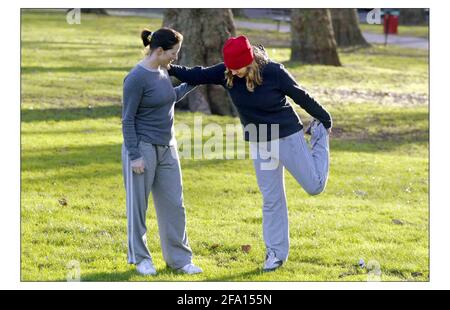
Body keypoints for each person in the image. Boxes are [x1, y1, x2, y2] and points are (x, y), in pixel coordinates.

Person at [167, 35, 332, 272]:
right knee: (272, 199)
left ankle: (318, 135)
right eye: (230, 68)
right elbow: (197, 74)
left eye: (237, 67)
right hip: (259, 142)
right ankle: (275, 254)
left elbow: (300, 96)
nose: (233, 72)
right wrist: (169, 66)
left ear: (250, 59)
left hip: (286, 136)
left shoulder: (274, 72)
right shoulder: (227, 72)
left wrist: (324, 119)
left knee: (314, 186)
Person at [122, 27, 202, 276]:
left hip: (168, 146)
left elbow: (167, 98)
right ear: (158, 50)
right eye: (173, 53)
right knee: (138, 207)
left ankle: (179, 260)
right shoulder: (136, 78)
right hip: (142, 147)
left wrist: (191, 84)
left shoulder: (162, 71)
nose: (175, 58)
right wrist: (135, 155)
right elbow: (127, 120)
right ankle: (141, 259)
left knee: (174, 205)